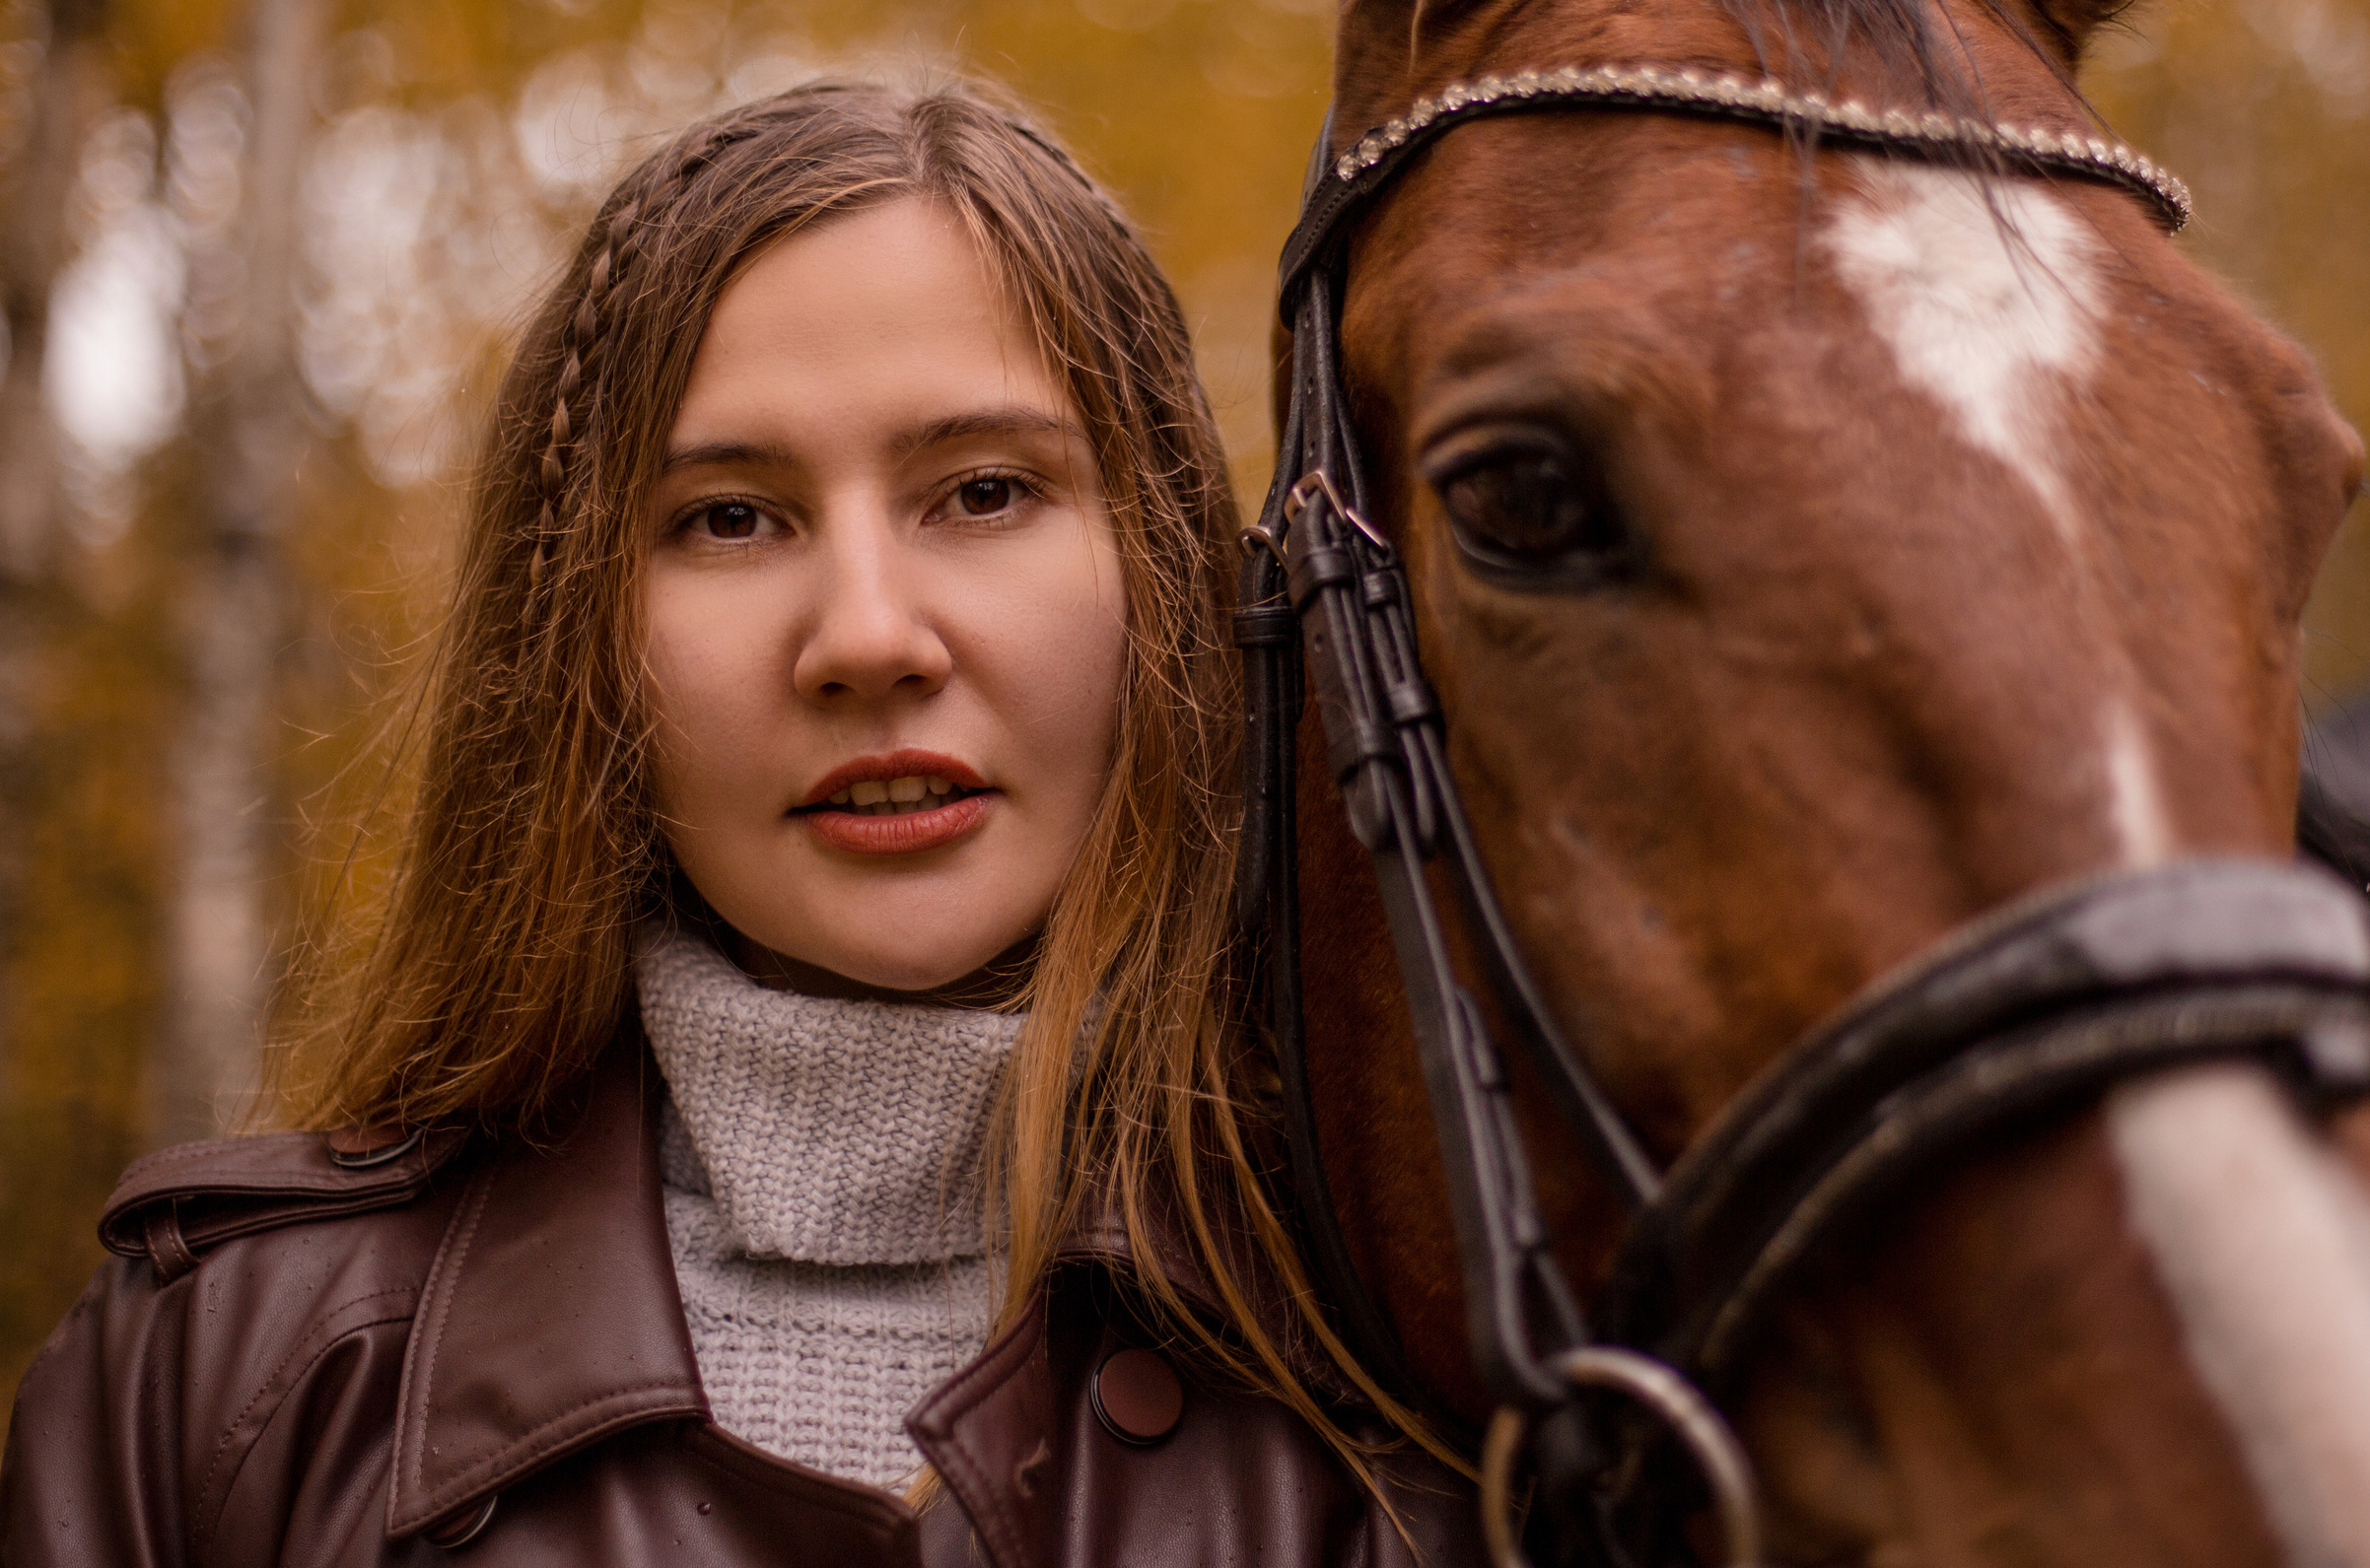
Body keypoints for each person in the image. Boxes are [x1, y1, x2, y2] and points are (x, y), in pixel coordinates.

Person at [0, 77, 1477, 1566]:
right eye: (730, 518)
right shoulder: (223, 1390)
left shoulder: (1456, 1388)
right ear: (578, 639)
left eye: (980, 490)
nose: (867, 635)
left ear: (1165, 577)